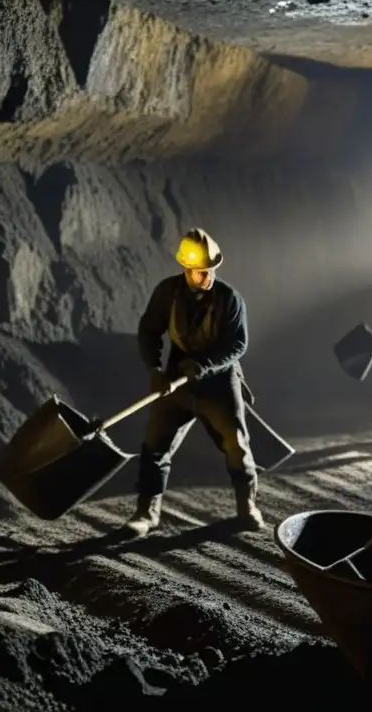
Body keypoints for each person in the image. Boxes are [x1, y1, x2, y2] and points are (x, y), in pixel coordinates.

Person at [126, 228, 263, 538]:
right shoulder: (167, 293)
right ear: (186, 269)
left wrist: (204, 365)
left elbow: (237, 344)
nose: (207, 276)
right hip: (178, 379)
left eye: (210, 270)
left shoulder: (229, 299)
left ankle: (248, 507)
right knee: (155, 444)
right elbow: (149, 331)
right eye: (200, 272)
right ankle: (146, 512)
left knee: (236, 445)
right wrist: (155, 369)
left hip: (218, 380)